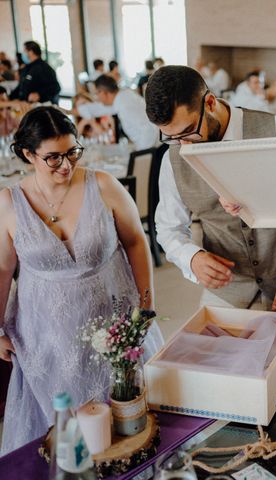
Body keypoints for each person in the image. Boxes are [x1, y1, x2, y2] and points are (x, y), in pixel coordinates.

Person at [0, 106, 164, 454]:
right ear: (28, 154)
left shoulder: (103, 184)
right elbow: (2, 269)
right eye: (53, 157)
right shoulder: (9, 203)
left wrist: (146, 305)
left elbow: (136, 241)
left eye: (73, 152)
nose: (66, 165)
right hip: (45, 334)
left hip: (113, 321)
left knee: (127, 416)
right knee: (63, 428)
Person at [145, 66, 276, 346]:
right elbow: (168, 229)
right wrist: (191, 257)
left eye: (188, 132)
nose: (181, 144)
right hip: (225, 294)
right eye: (171, 137)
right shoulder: (174, 158)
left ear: (210, 102)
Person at [77, 74, 158, 149]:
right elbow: (99, 109)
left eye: (96, 94)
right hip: (150, 145)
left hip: (152, 147)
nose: (97, 98)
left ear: (103, 92)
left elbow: (148, 130)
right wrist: (70, 111)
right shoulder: (123, 96)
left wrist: (141, 155)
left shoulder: (124, 105)